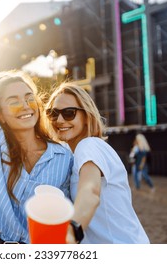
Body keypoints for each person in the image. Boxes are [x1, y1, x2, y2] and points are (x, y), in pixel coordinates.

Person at [0, 0, 73, 244]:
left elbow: (68, 211)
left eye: (29, 98)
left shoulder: (62, 155)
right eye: (13, 101)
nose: (24, 106)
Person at [45, 82, 149, 244]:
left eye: (69, 113)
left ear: (86, 117)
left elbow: (91, 191)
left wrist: (71, 231)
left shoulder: (89, 145)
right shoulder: (71, 156)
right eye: (53, 113)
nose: (59, 119)